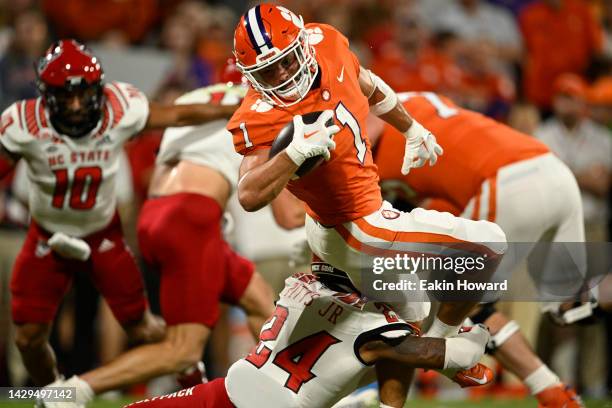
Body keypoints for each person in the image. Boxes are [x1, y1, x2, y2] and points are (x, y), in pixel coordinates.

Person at [227, 4, 507, 406]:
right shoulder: (260, 113)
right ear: (251, 75)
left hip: (350, 221)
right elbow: (248, 194)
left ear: (304, 45)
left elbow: (366, 82)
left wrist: (410, 127)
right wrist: (294, 154)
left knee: (409, 315)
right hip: (355, 227)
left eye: (287, 62)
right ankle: (452, 351)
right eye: (269, 71)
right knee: (489, 244)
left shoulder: (327, 42)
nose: (284, 75)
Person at [0, 39, 237, 392]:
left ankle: (186, 361)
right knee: (28, 340)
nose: (78, 105)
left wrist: (232, 108)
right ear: (46, 96)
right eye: (66, 96)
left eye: (84, 95)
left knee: (140, 326)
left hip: (102, 235)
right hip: (47, 236)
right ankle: (55, 393)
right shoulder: (22, 123)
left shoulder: (119, 108)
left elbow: (177, 115)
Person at [41, 80, 278, 407]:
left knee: (262, 302)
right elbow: (283, 207)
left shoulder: (193, 95)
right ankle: (74, 390)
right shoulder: (264, 102)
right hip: (193, 216)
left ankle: (277, 394)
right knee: (183, 349)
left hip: (156, 213)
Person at [369, 91, 587, 407]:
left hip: (507, 181)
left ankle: (440, 360)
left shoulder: (371, 142)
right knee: (573, 305)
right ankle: (552, 392)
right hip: (555, 171)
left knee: (448, 293)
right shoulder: (423, 102)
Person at [122, 270, 492, 408]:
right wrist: (479, 334)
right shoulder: (379, 332)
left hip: (230, 387)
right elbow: (445, 355)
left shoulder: (302, 282)